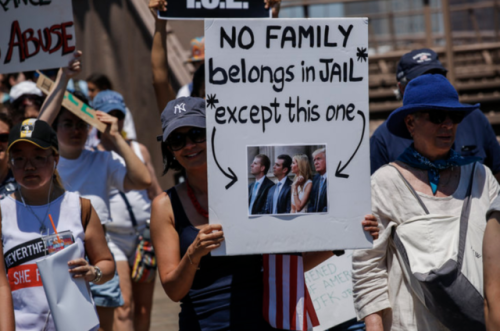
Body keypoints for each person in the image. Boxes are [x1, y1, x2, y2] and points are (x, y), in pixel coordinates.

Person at [151, 97, 379, 331]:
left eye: (197, 134)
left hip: (267, 322)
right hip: (205, 325)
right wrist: (194, 253)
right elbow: (173, 291)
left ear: (213, 135)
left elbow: (288, 265)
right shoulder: (165, 206)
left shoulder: (252, 193)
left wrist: (348, 235)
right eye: (177, 139)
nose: (189, 145)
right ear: (169, 148)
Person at [352, 74, 500, 331]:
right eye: (436, 117)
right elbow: (368, 264)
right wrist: (374, 324)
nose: (447, 125)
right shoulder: (385, 183)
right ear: (411, 123)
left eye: (453, 117)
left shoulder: (481, 177)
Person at [37, 53, 152, 331]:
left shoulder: (102, 159)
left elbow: (143, 179)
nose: (76, 130)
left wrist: (115, 137)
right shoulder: (46, 162)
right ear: (56, 127)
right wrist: (64, 78)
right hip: (58, 251)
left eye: (81, 124)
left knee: (120, 316)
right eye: (67, 124)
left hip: (101, 250)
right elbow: (39, 127)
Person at [2, 119, 115, 330]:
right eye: (19, 159)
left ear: (55, 158)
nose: (29, 166)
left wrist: (94, 272)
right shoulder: (1, 213)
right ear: (10, 163)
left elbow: (106, 263)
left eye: (38, 157)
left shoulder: (80, 207)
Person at [370, 49, 500, 181]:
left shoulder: (474, 119)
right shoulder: (384, 139)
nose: (448, 124)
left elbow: (497, 172)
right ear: (402, 88)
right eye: (421, 80)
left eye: (438, 77)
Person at [94, 90, 162, 331]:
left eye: (118, 115)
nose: (114, 120)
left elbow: (154, 191)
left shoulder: (139, 150)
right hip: (113, 239)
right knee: (124, 307)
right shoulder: (92, 153)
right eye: (107, 115)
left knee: (144, 309)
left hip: (143, 238)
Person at [307, 148, 327, 213]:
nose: (315, 163)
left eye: (318, 159)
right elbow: (311, 203)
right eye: (314, 160)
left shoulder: (333, 178)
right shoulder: (315, 179)